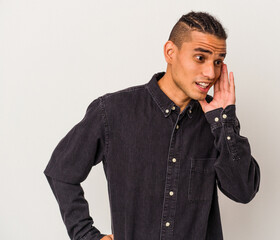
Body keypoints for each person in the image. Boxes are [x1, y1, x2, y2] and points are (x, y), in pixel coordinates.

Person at [44, 11, 261, 240]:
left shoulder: (217, 122)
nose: (211, 73)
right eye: (200, 58)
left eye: (218, 62)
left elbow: (243, 191)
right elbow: (61, 171)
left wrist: (224, 123)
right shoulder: (112, 111)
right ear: (170, 52)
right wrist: (86, 235)